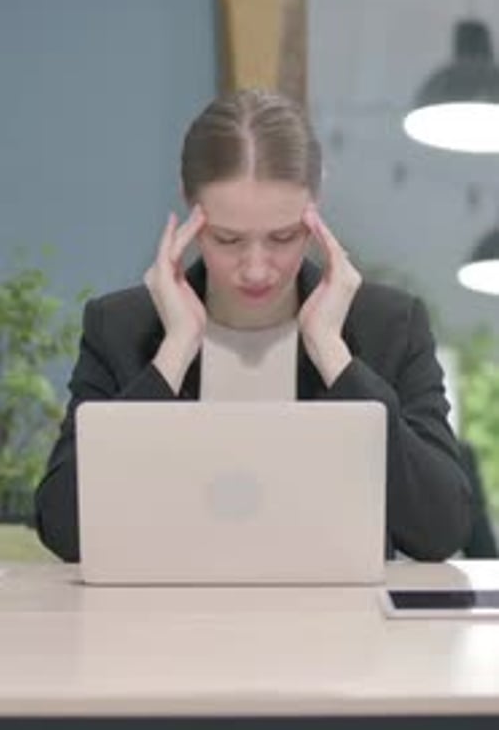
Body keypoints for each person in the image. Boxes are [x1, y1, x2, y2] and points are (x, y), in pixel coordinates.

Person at [34, 88, 472, 563]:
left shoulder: (387, 325)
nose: (257, 269)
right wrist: (173, 355)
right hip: (165, 624)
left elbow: (440, 531)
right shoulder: (122, 327)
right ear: (190, 206)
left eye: (284, 237)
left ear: (315, 204)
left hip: (339, 628)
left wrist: (333, 355)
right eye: (227, 239)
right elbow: (64, 531)